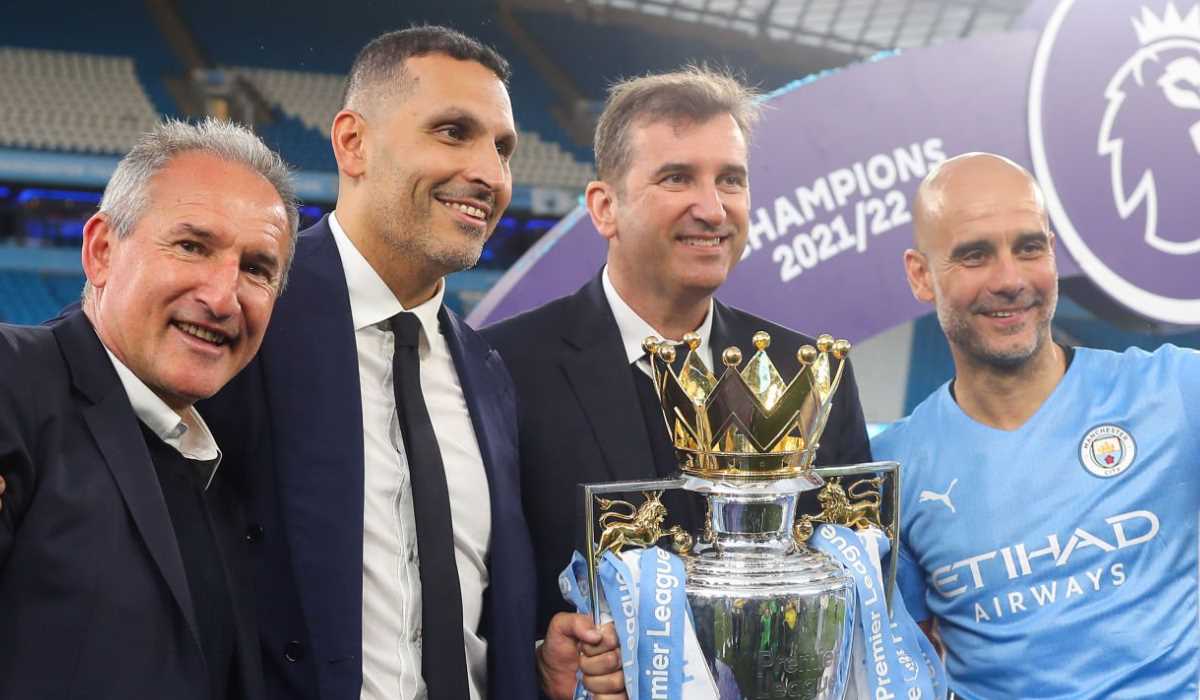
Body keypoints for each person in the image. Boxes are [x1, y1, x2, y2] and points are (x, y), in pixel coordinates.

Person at [200, 26, 619, 700]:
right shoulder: (245, 311)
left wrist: (539, 665)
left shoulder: (486, 371)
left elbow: (476, 607)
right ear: (352, 143)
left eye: (503, 148)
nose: (489, 173)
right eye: (454, 131)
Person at [481, 66, 874, 661]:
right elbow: (473, 585)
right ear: (604, 207)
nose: (713, 209)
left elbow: (855, 582)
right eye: (677, 178)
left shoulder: (810, 371)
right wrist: (539, 657)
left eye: (731, 180)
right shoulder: (503, 365)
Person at [872, 152, 1200, 697]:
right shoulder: (895, 470)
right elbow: (904, 660)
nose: (1010, 280)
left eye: (1029, 247)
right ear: (921, 275)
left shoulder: (1176, 391)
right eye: (974, 256)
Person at [0, 119, 298, 699]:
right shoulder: (13, 382)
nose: (221, 297)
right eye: (192, 246)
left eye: (257, 269)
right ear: (102, 250)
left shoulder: (224, 469)